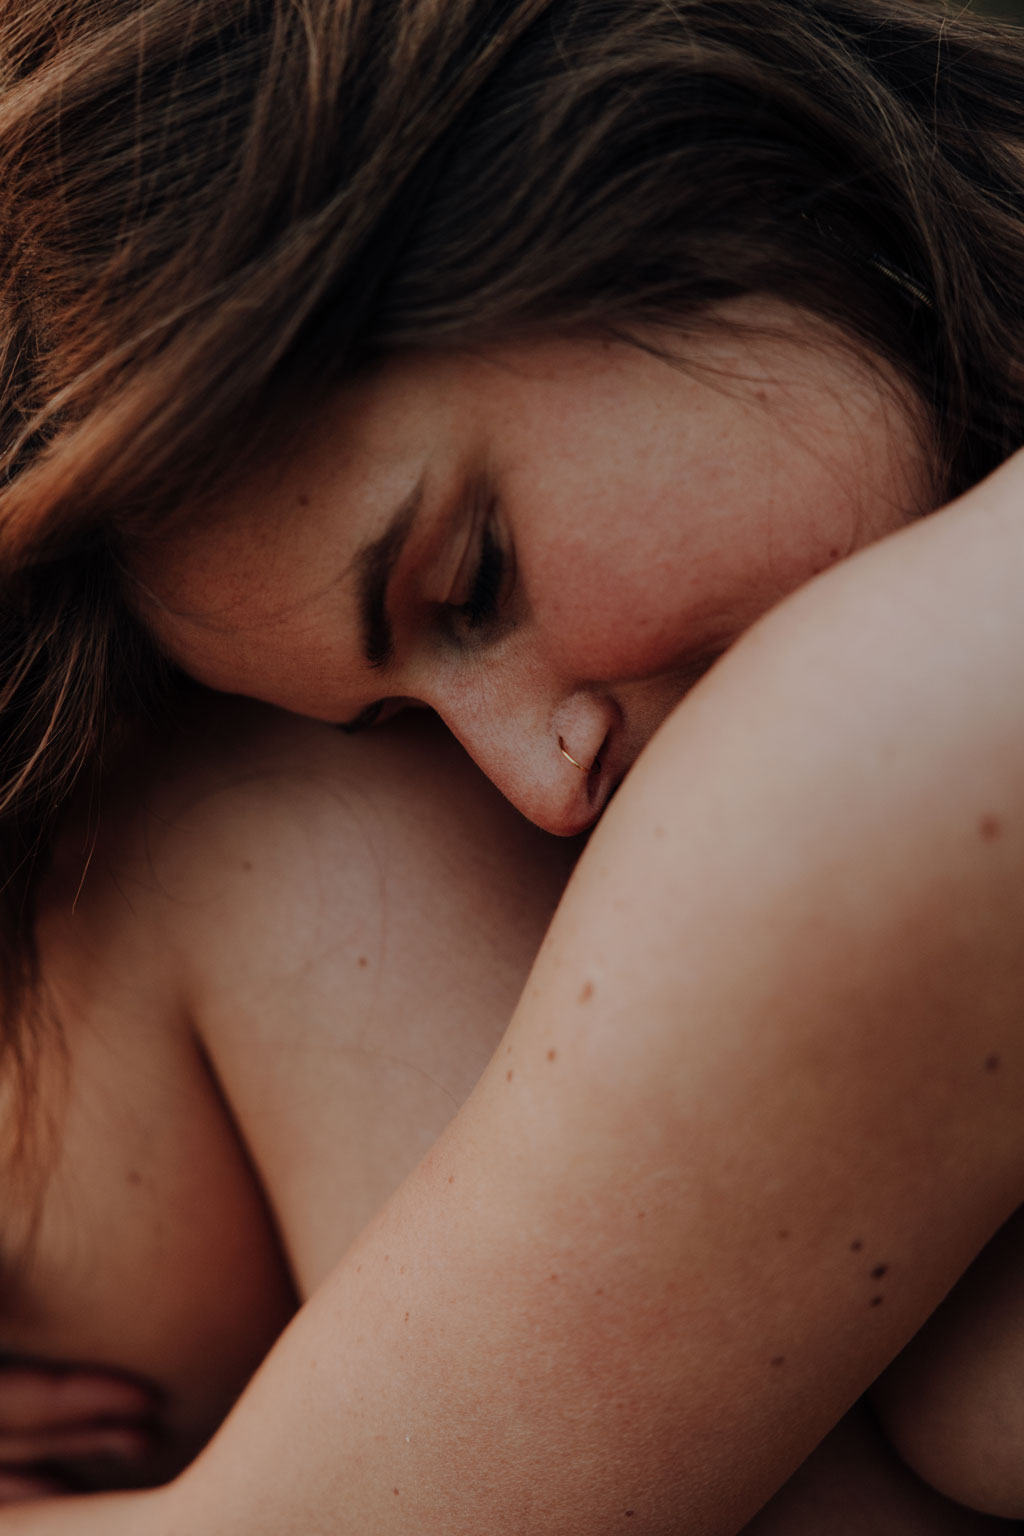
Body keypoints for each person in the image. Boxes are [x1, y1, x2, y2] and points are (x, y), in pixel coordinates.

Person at [2, 0, 1024, 1529]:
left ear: (642, 166)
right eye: (401, 722)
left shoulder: (930, 703)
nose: (541, 785)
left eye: (473, 580)